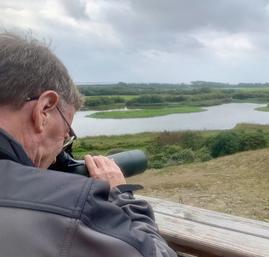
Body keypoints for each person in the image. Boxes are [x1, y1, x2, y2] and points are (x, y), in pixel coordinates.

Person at [0, 32, 177, 257]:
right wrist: (119, 196)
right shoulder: (75, 208)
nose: (57, 156)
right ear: (44, 109)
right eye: (66, 133)